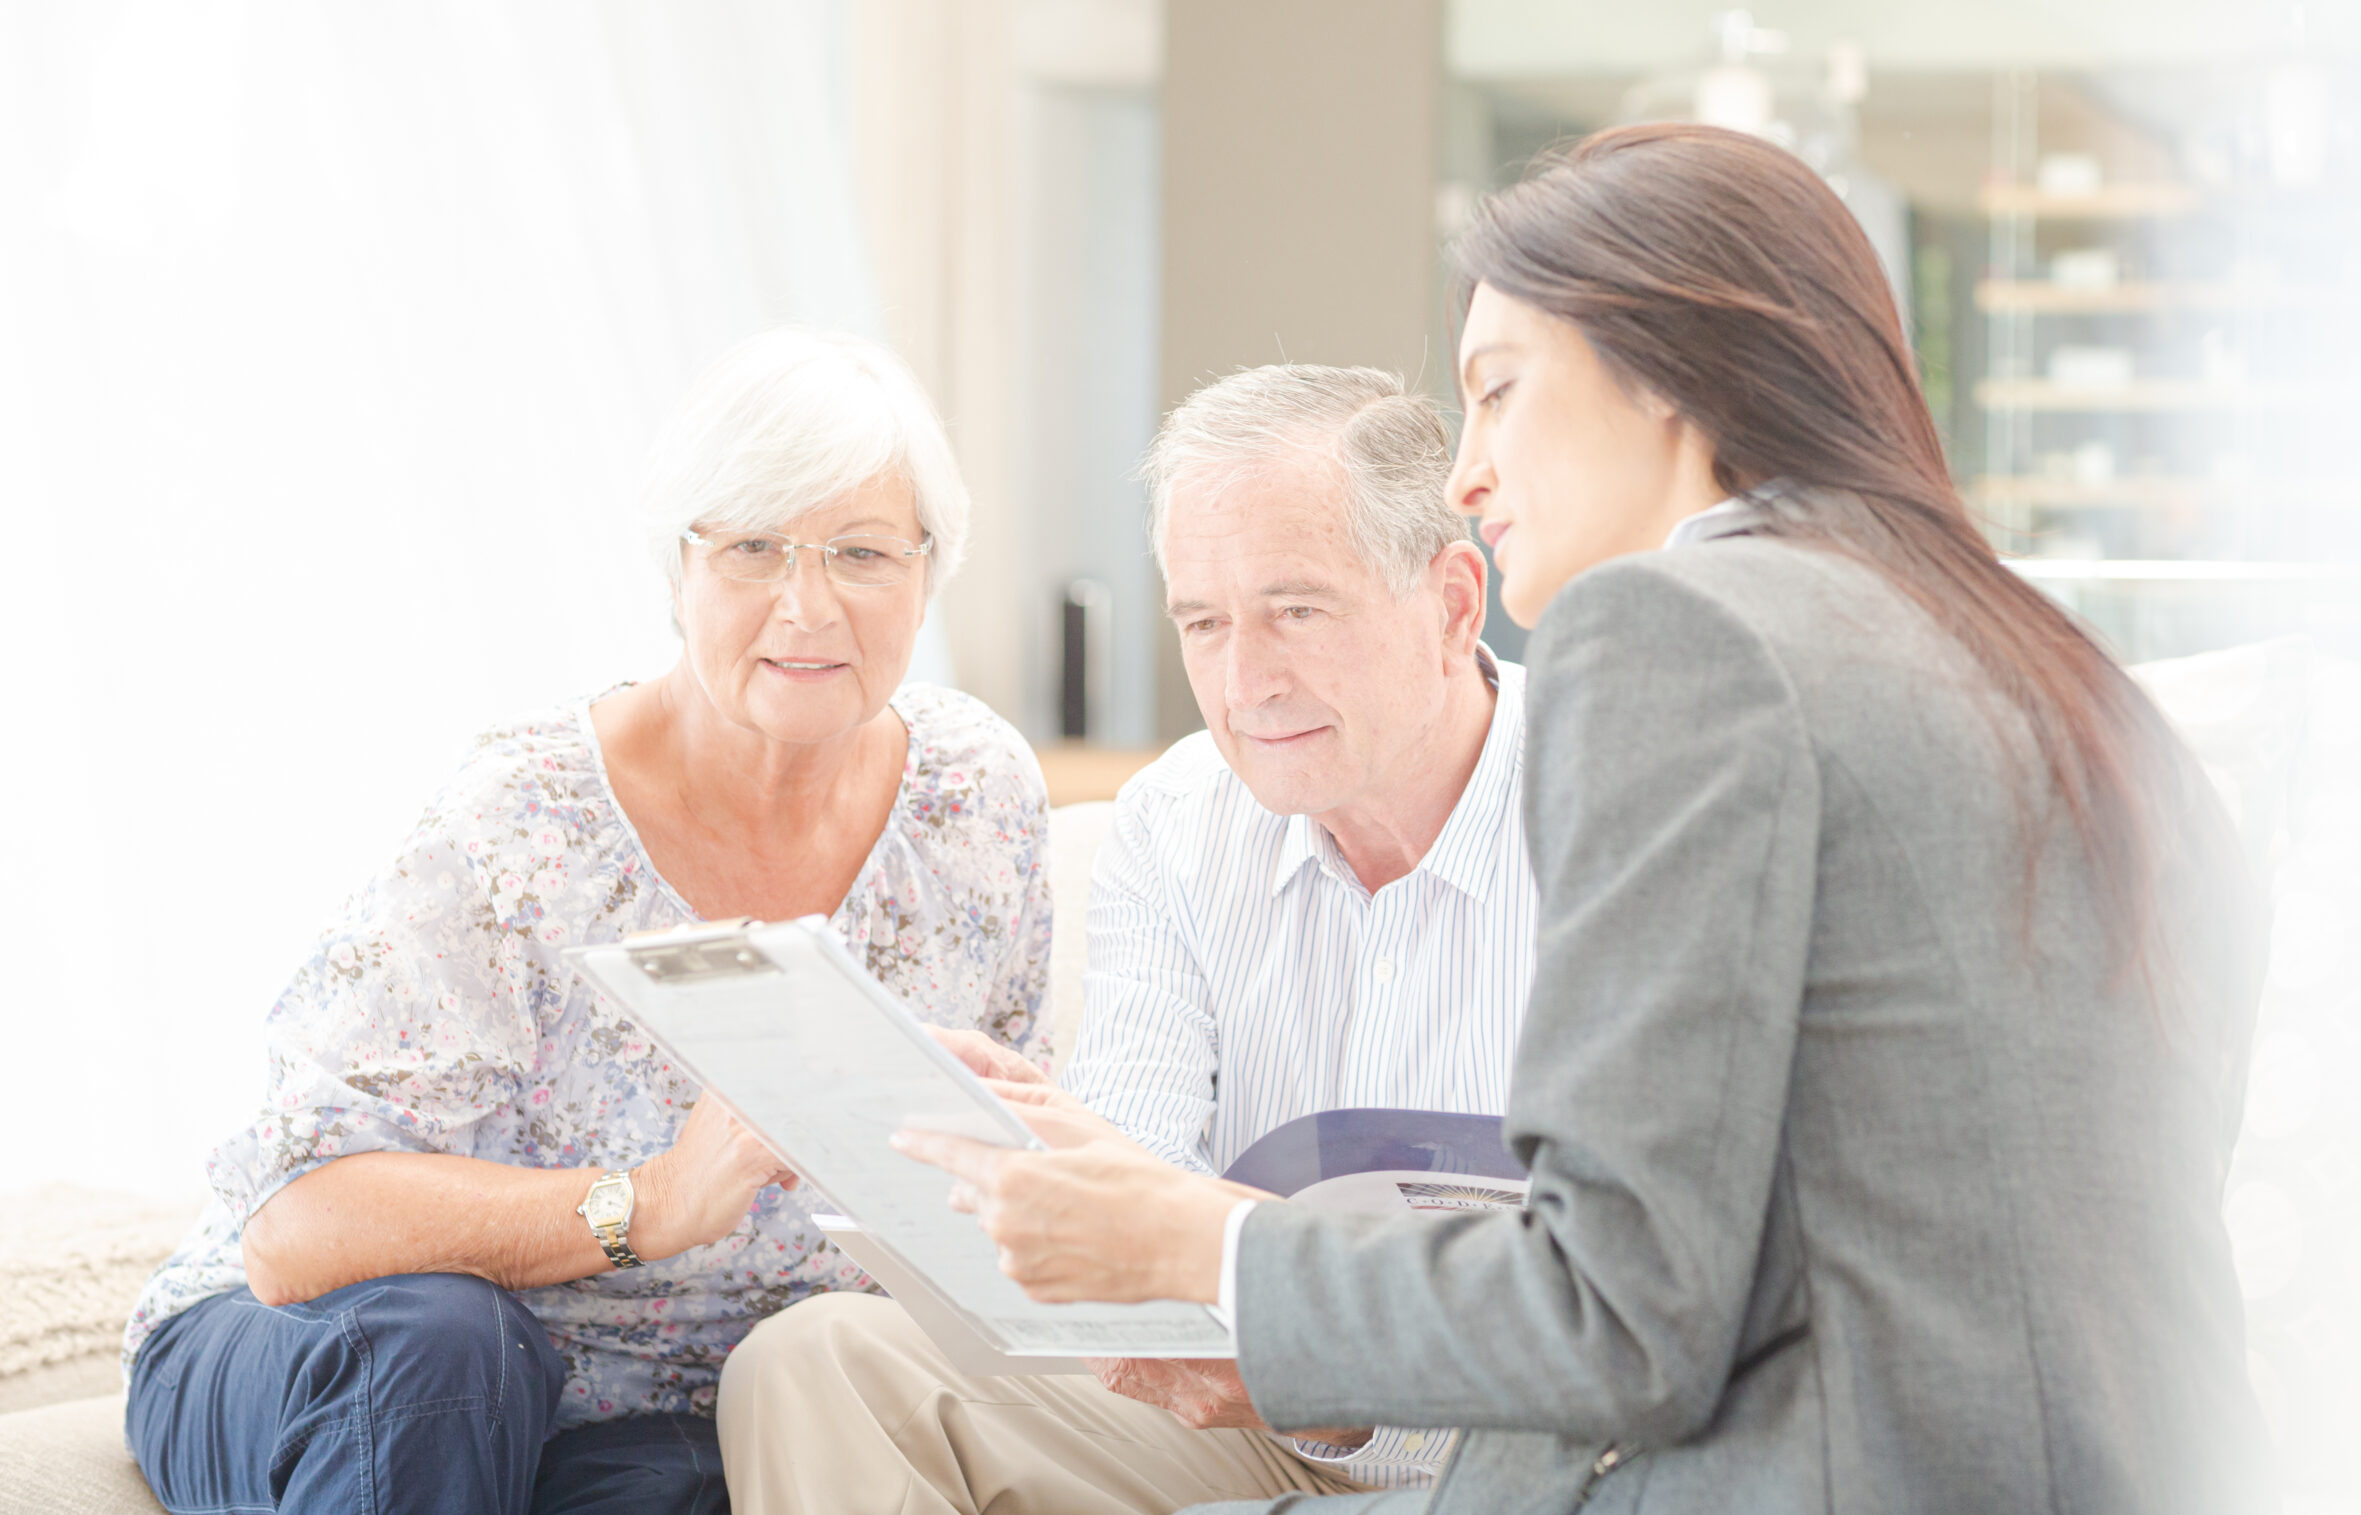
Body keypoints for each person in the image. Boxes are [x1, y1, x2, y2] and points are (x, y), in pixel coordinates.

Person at [891, 125, 2272, 1514]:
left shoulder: (1682, 633)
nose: (1468, 472)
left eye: (1498, 393)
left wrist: (1200, 1242)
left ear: (1672, 376)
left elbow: (1618, 1311)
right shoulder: (2064, 673)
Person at [123, 327, 1054, 1515]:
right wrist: (652, 1201)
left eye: (862, 554)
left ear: (931, 571)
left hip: (661, 1404)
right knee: (447, 1350)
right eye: (754, 548)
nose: (807, 604)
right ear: (677, 571)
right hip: (336, 1345)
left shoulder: (974, 799)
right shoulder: (525, 819)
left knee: (718, 1471)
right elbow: (296, 1228)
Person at [717, 364, 1542, 1513]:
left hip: (1537, 1437)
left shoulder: (1627, 807)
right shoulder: (1176, 818)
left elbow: (1646, 1295)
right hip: (1256, 1412)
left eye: (1295, 610)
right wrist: (1046, 1151)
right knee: (816, 1365)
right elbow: (1137, 1190)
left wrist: (1323, 1350)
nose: (1245, 680)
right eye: (1204, 623)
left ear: (1454, 604)